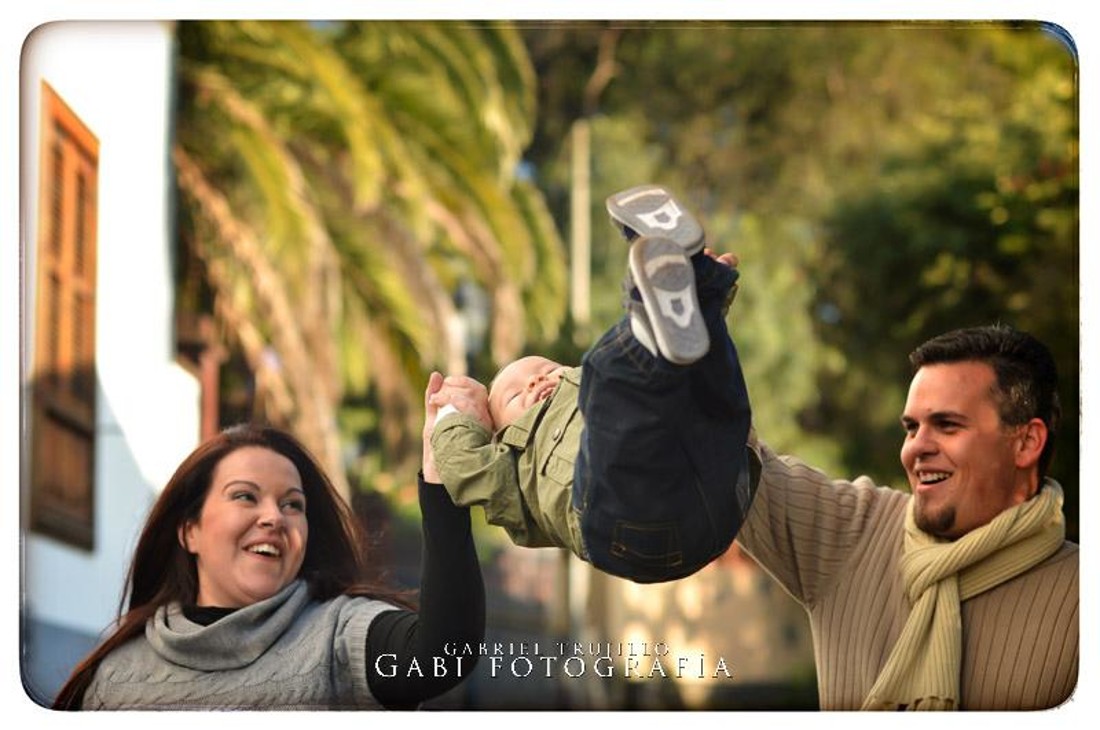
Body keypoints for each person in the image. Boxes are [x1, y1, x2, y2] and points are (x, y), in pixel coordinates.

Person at [738, 322, 1078, 710]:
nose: (915, 449)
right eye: (911, 428)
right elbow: (729, 461)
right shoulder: (852, 534)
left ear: (1027, 442)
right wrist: (698, 345)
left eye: (947, 425)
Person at [426, 185, 755, 584]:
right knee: (606, 368)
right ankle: (662, 299)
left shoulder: (584, 391)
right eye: (516, 395)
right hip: (635, 527)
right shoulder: (514, 475)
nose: (537, 382)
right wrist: (457, 417)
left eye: (546, 370)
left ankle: (697, 287)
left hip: (718, 484)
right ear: (499, 435)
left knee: (699, 390)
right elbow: (464, 469)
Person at [53, 423, 484, 710]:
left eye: (292, 504)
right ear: (189, 531)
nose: (274, 517)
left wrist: (440, 479)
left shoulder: (337, 634)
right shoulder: (113, 680)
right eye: (245, 496)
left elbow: (442, 657)